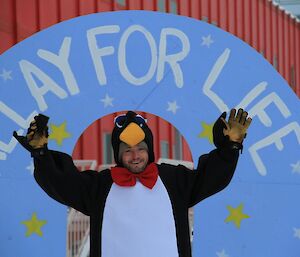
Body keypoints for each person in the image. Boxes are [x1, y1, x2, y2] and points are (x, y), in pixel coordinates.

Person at [15, 108, 251, 257]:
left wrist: (230, 148)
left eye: (141, 148)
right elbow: (63, 184)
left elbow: (211, 178)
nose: (135, 155)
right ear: (117, 154)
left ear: (150, 150)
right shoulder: (101, 185)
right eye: (127, 150)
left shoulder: (173, 179)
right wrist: (41, 155)